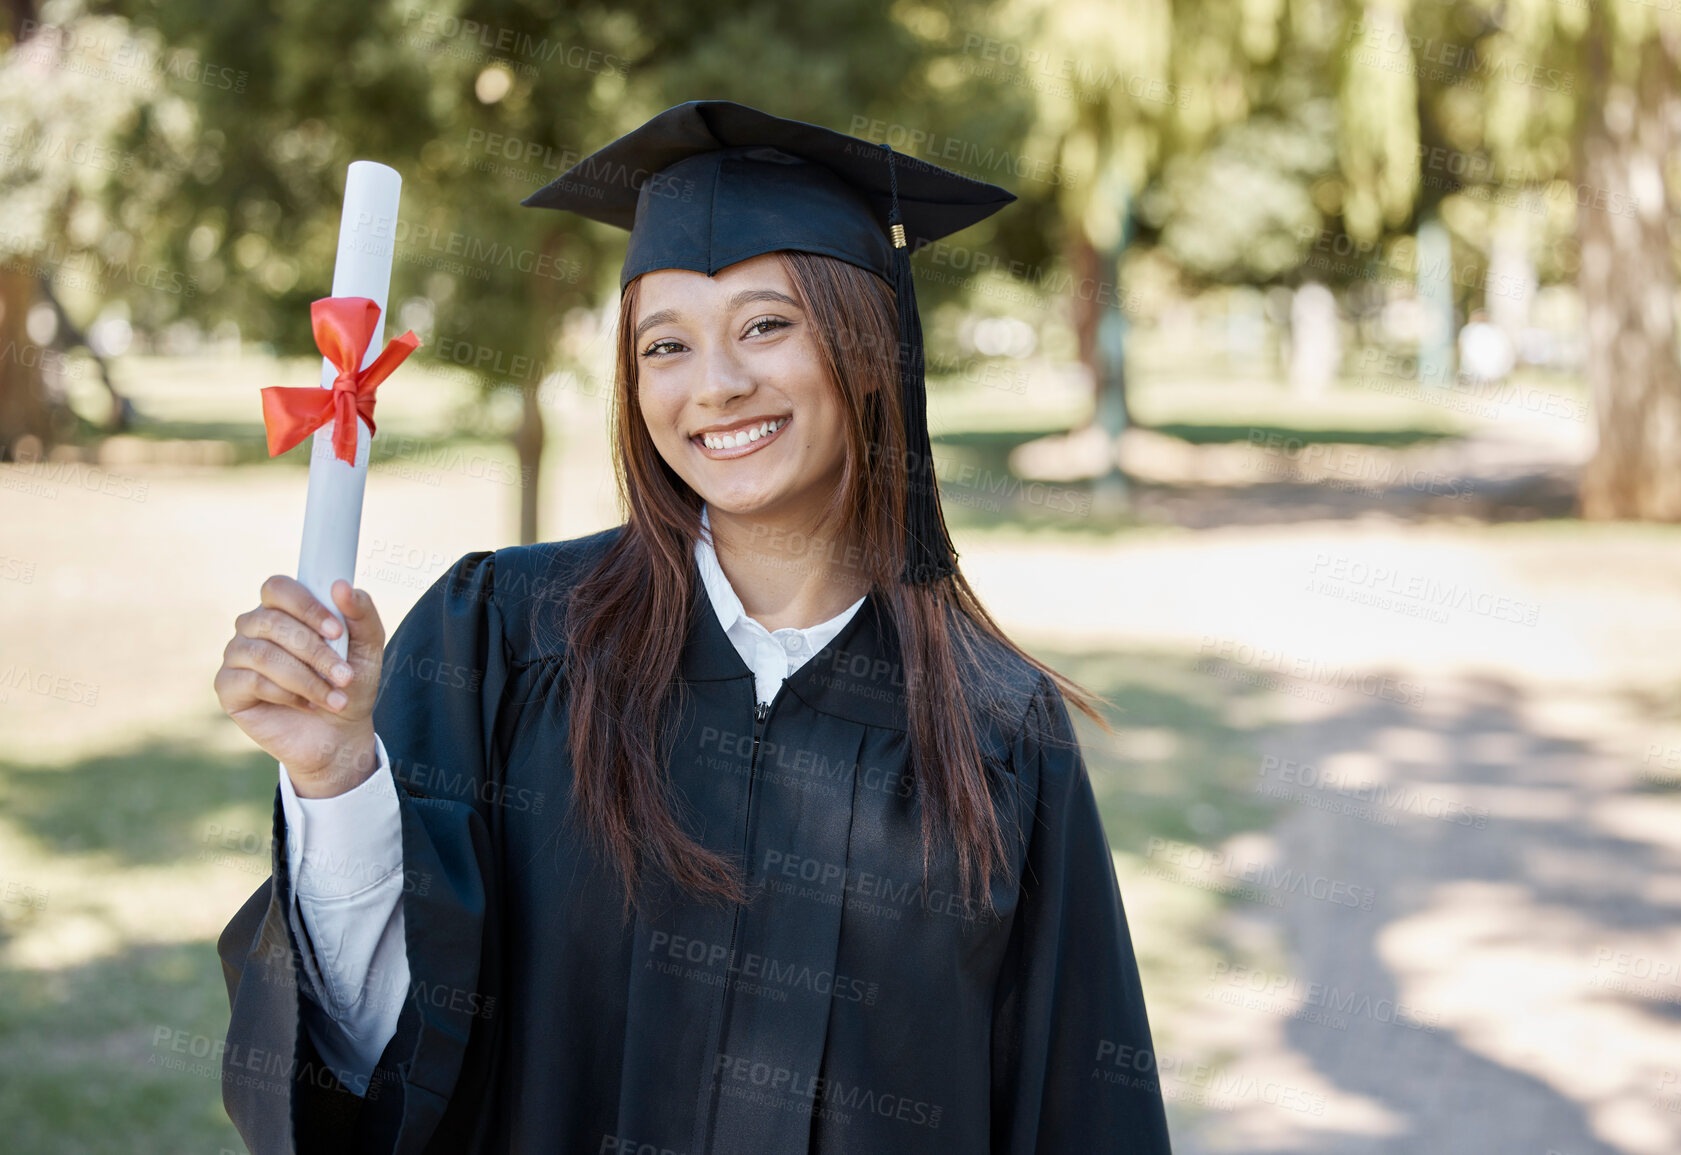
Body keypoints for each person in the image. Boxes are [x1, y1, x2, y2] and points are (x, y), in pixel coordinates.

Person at [213, 100, 1172, 1155]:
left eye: (767, 324)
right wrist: (339, 779)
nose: (715, 385)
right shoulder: (507, 639)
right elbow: (375, 1046)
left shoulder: (994, 727)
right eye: (664, 344)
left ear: (868, 341)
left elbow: (1078, 1107)